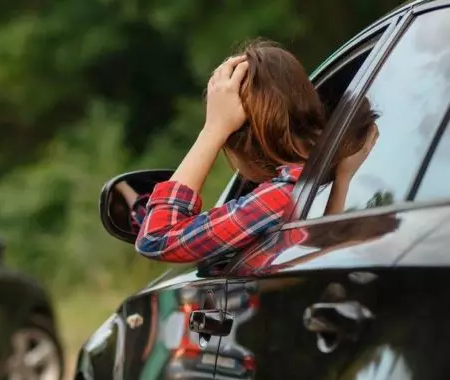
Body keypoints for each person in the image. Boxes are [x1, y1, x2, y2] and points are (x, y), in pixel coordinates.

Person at [134, 40, 378, 264]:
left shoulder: (280, 197)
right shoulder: (318, 183)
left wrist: (213, 130)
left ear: (240, 143)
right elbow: (323, 253)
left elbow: (156, 238)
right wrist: (342, 181)